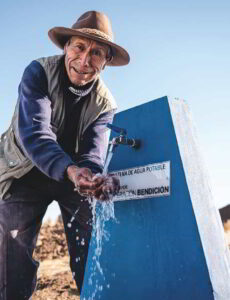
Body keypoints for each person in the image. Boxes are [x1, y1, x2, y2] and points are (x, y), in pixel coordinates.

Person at [0, 10, 130, 300]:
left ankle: (92, 294)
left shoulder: (106, 104)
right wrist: (72, 170)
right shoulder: (38, 72)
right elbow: (35, 135)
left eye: (96, 53)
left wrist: (91, 176)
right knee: (11, 244)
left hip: (74, 179)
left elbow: (94, 154)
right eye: (79, 48)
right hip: (26, 172)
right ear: (66, 47)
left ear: (106, 62)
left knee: (91, 240)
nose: (84, 61)